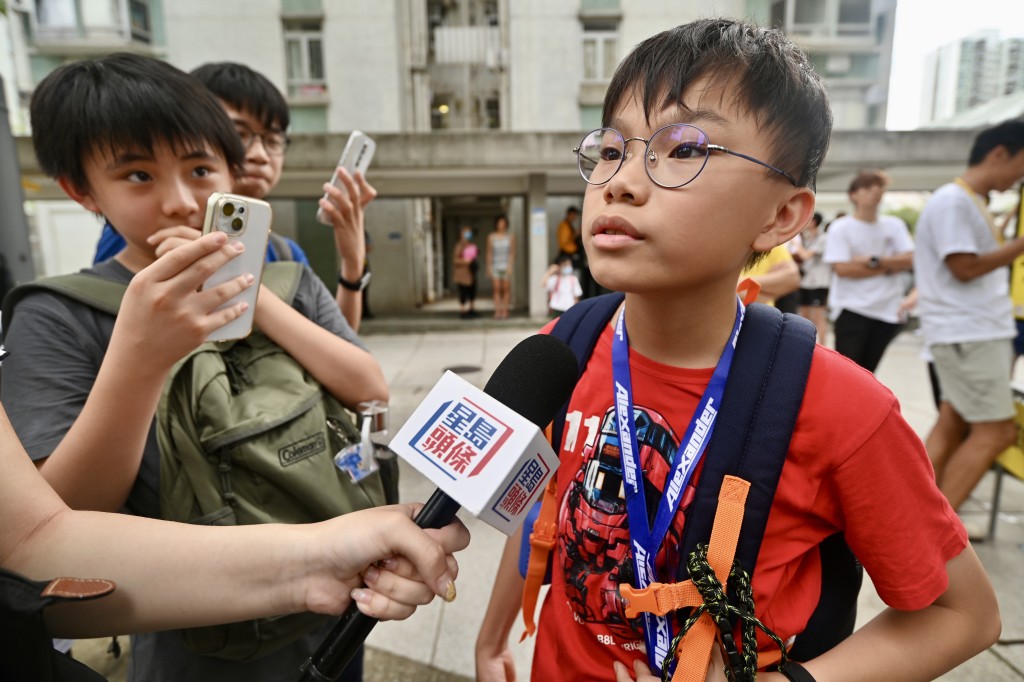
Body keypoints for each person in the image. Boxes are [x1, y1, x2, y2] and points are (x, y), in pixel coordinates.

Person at [476, 19, 998, 682]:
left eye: (685, 147)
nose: (622, 181)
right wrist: (494, 635)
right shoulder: (563, 349)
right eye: (611, 149)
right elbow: (542, 503)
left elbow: (965, 615)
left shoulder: (844, 408)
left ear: (782, 216)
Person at [1, 53, 389, 682]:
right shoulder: (58, 315)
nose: (180, 201)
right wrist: (140, 354)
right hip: (188, 628)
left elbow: (370, 388)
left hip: (337, 600)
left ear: (232, 170)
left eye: (200, 169)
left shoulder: (289, 278)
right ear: (81, 190)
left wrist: (251, 295)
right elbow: (55, 524)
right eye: (136, 175)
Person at [92, 61, 376, 332]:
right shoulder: (140, 235)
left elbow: (336, 342)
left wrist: (352, 262)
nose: (260, 155)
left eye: (273, 140)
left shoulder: (283, 251)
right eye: (239, 134)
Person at [914, 120, 1024, 512]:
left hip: (967, 332)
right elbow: (964, 267)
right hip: (970, 332)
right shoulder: (953, 201)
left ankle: (918, 518)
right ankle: (939, 538)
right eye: (1021, 165)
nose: (1019, 177)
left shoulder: (967, 200)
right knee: (996, 433)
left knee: (953, 425)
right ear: (999, 153)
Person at [823, 169, 914, 373]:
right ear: (854, 194)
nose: (875, 192)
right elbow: (843, 269)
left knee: (869, 374)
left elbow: (911, 260)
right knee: (848, 374)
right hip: (851, 309)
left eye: (879, 187)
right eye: (867, 187)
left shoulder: (894, 225)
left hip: (887, 311)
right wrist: (890, 266)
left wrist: (873, 261)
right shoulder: (841, 227)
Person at [795, 212, 830, 343]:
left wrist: (795, 243)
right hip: (806, 282)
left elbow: (805, 256)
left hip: (819, 282)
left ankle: (823, 345)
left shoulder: (823, 238)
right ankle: (808, 343)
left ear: (814, 222)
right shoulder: (809, 238)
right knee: (804, 314)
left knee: (818, 315)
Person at [487, 214, 515, 319]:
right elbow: (489, 253)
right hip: (495, 266)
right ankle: (497, 311)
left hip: (506, 265)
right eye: (499, 223)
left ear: (506, 224)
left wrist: (510, 266)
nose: (501, 225)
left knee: (506, 289)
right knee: (496, 289)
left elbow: (512, 253)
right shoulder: (491, 237)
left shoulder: (510, 237)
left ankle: (505, 311)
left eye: (503, 223)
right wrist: (489, 267)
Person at [453, 226, 479, 319]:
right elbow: (455, 260)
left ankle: (471, 309)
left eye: (469, 233)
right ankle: (463, 311)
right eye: (466, 232)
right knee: (463, 293)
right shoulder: (459, 246)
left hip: (471, 273)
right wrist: (465, 261)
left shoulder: (471, 245)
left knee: (472, 291)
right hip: (462, 274)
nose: (468, 235)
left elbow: (473, 257)